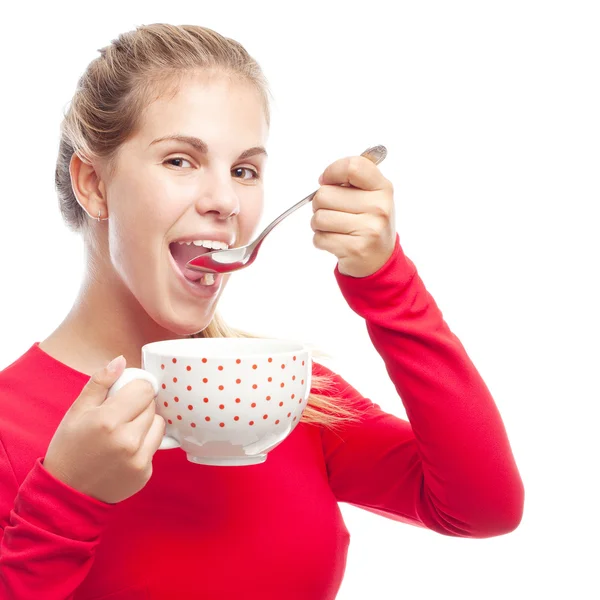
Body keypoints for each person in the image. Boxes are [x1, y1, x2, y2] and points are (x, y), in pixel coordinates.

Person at [0, 23, 524, 600]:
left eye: (244, 170)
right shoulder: (10, 426)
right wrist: (66, 499)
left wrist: (385, 281)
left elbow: (484, 508)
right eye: (180, 160)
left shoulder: (280, 393)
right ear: (94, 183)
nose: (226, 201)